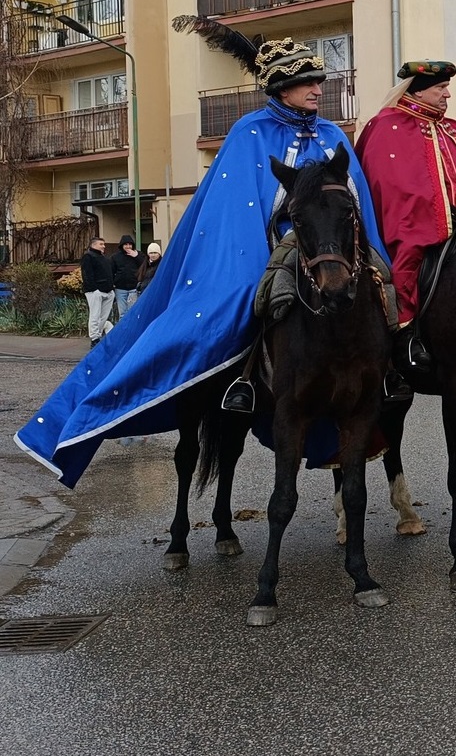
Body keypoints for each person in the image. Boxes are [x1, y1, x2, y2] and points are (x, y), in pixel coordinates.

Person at [18, 26, 385, 486]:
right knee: (236, 304)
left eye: (319, 82)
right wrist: (276, 246)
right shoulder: (249, 133)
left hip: (334, 249)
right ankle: (243, 382)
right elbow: (235, 213)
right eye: (307, 82)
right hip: (271, 248)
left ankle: (392, 379)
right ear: (280, 88)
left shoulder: (333, 133)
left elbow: (357, 205)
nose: (317, 90)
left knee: (384, 293)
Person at [354, 60, 456, 371]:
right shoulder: (386, 126)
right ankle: (405, 337)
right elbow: (388, 186)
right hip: (411, 227)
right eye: (441, 88)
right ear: (418, 91)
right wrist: (438, 214)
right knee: (407, 259)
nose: (447, 96)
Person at [79, 237, 113, 347]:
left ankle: (97, 336)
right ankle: (94, 338)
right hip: (95, 291)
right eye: (101, 244)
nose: (103, 246)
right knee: (95, 315)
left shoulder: (103, 257)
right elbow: (87, 274)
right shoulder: (88, 256)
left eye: (104, 244)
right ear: (93, 245)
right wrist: (94, 290)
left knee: (103, 316)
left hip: (107, 291)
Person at [110, 235, 143, 320]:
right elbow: (111, 271)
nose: (128, 246)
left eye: (130, 244)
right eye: (126, 244)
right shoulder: (115, 257)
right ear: (122, 245)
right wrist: (113, 283)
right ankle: (122, 331)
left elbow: (144, 266)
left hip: (134, 287)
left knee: (132, 311)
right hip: (120, 288)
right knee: (122, 312)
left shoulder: (138, 254)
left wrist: (136, 256)